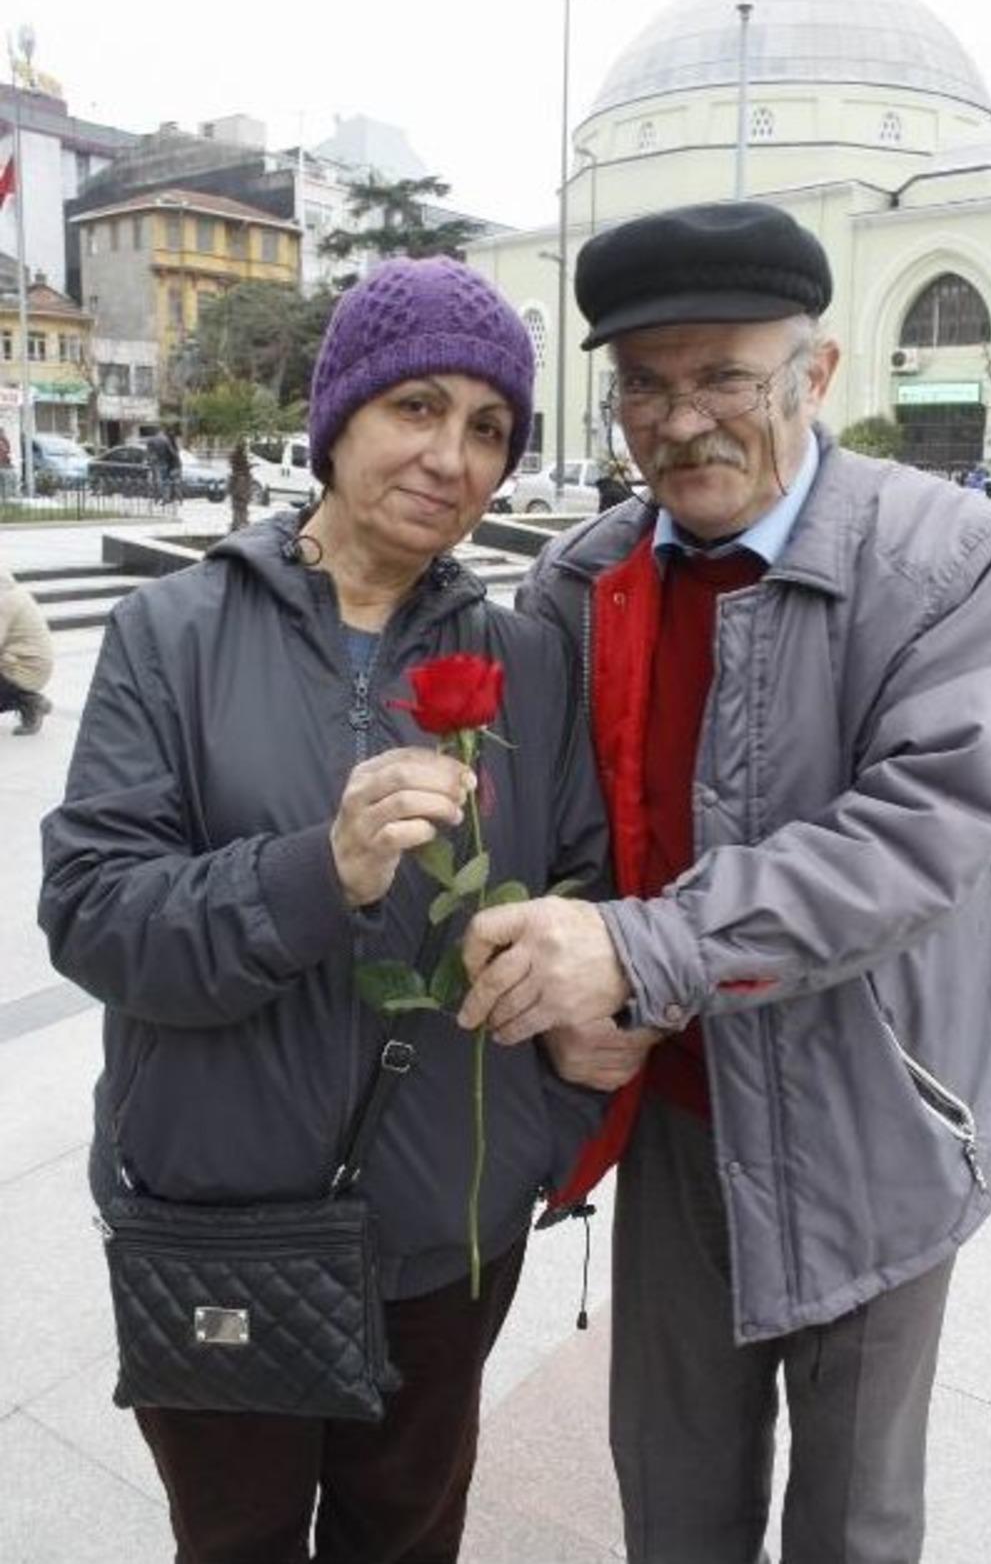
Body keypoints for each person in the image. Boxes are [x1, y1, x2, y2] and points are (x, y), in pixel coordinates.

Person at [457, 201, 991, 1563]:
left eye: (723, 375)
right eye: (644, 387)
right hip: (675, 1124)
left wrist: (636, 949)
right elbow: (550, 822)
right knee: (674, 1498)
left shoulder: (949, 559)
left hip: (875, 1124)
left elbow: (918, 834)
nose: (679, 421)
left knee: (851, 1520)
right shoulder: (585, 575)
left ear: (816, 374)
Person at [39, 257, 607, 1564]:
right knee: (234, 1539)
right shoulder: (172, 634)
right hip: (220, 1226)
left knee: (404, 1536)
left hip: (442, 1243)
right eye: (417, 406)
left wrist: (534, 1128)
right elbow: (92, 911)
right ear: (339, 411)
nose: (451, 457)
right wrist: (320, 869)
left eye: (488, 428)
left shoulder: (526, 659)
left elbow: (586, 896)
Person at [1, 557, 53, 734]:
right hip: (26, 667)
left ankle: (29, 702)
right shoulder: (10, 591)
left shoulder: (3, 600)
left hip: (24, 671)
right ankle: (26, 699)